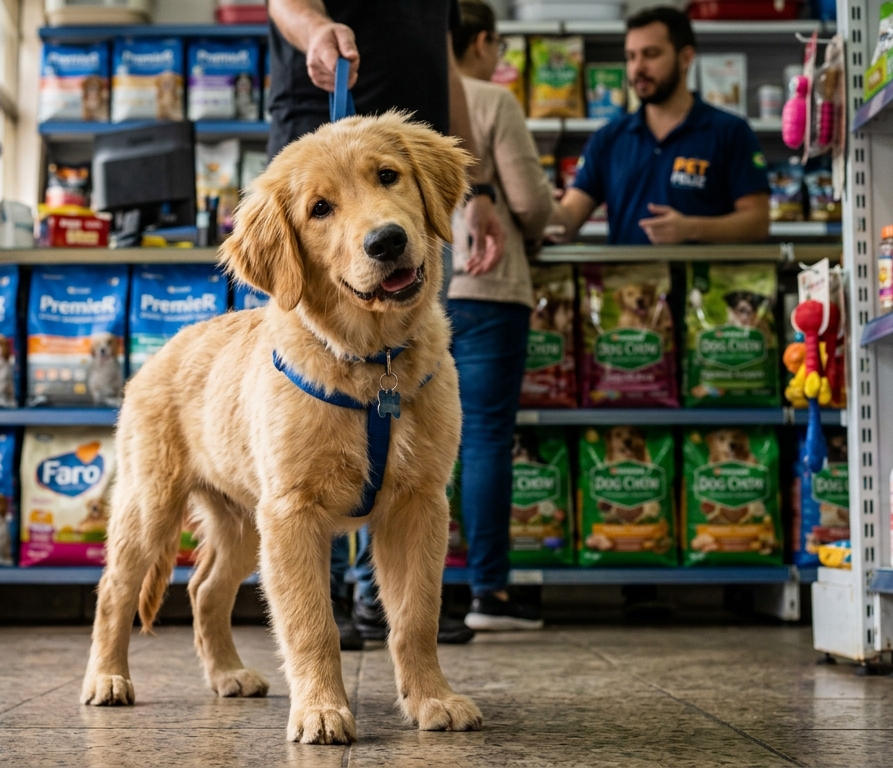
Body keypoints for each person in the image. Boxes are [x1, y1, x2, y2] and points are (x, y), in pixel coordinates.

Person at [266, 0, 504, 649]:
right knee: (309, 445)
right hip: (316, 143)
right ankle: (319, 603)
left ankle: (383, 597)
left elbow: (445, 72)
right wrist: (316, 31)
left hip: (411, 169)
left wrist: (475, 191)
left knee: (411, 423)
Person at [447, 0, 554, 631]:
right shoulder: (493, 101)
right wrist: (549, 220)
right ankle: (489, 593)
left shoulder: (411, 94)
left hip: (419, 292)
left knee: (403, 440)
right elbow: (530, 204)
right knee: (485, 436)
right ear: (482, 40)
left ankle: (396, 591)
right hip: (491, 292)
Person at [553, 6, 770, 245]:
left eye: (651, 54)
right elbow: (569, 219)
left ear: (686, 57)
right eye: (631, 56)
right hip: (629, 281)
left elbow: (758, 221)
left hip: (706, 280)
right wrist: (539, 208)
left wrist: (690, 229)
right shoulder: (609, 137)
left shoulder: (730, 131)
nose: (638, 68)